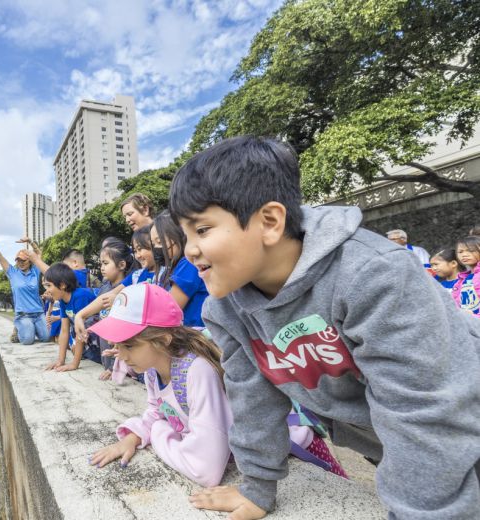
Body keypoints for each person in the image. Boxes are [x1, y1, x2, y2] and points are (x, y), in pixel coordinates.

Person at [168, 136, 480, 519]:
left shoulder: (373, 274)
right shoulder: (226, 308)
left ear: (269, 221)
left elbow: (423, 416)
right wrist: (257, 488)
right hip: (387, 441)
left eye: (201, 230)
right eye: (185, 234)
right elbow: (252, 398)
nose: (189, 249)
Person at [87, 283, 234, 487]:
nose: (121, 354)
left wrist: (158, 433)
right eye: (117, 345)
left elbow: (205, 471)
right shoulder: (152, 369)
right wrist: (134, 437)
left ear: (163, 340)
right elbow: (158, 410)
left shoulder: (196, 371)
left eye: (129, 345)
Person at [0, 231, 49, 345]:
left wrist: (30, 242)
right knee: (27, 340)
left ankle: (30, 327)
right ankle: (19, 327)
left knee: (46, 337)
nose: (21, 263)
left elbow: (39, 253)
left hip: (38, 313)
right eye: (18, 260)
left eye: (23, 260)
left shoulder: (35, 271)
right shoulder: (12, 273)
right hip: (23, 314)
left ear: (30, 261)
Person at [151, 211, 208, 328]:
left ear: (177, 236)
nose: (156, 248)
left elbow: (169, 309)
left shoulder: (188, 263)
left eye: (159, 241)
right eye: (153, 243)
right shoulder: (171, 268)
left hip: (199, 336)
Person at [42, 263, 101, 371]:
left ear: (62, 285)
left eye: (49, 285)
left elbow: (81, 330)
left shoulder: (80, 296)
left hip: (99, 337)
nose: (47, 290)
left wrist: (74, 364)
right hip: (87, 336)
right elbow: (64, 331)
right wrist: (60, 360)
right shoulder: (62, 300)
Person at [95, 238, 139, 380]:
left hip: (124, 360)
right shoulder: (104, 288)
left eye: (106, 263)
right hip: (105, 349)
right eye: (101, 263)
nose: (102, 267)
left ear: (121, 265)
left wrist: (114, 367)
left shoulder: (130, 289)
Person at [453, 236, 480, 316]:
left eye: (471, 250)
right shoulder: (462, 278)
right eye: (460, 252)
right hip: (468, 323)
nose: (464, 255)